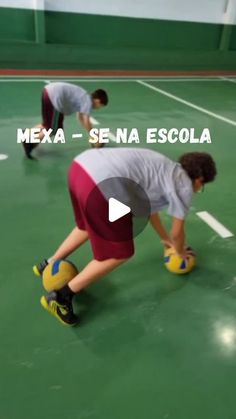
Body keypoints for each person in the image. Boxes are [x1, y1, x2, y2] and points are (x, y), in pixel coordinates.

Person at [33, 148, 217, 326]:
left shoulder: (165, 168)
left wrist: (164, 239)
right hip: (103, 184)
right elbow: (178, 233)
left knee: (88, 226)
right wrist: (180, 252)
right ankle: (61, 298)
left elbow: (149, 211)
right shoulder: (183, 184)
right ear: (199, 180)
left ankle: (48, 264)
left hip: (80, 168)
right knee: (119, 253)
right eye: (201, 187)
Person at [22, 82, 108, 159]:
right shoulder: (88, 101)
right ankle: (30, 141)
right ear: (98, 101)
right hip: (54, 97)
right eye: (100, 106)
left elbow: (80, 118)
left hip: (48, 92)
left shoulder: (83, 97)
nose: (98, 108)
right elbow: (86, 120)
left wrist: (90, 134)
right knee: (55, 130)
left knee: (47, 124)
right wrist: (93, 135)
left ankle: (28, 133)